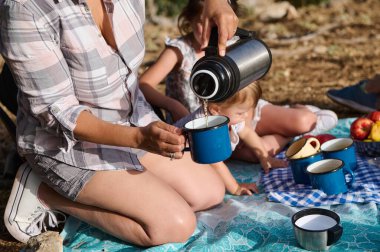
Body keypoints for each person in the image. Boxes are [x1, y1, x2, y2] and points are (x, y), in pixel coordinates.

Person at [0, 0, 239, 246]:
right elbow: (58, 113)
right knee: (175, 225)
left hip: (132, 119)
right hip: (67, 146)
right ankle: (44, 192)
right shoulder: (24, 8)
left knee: (210, 191)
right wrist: (138, 139)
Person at [139, 0, 338, 161]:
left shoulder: (232, 46)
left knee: (308, 121)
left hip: (244, 114)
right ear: (188, 20)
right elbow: (143, 84)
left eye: (215, 25)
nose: (206, 30)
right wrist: (172, 105)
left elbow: (249, 88)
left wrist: (246, 116)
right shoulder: (180, 50)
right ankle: (287, 137)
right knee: (259, 153)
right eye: (200, 22)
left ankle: (293, 117)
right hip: (210, 128)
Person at [175, 82, 288, 196]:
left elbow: (247, 133)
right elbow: (215, 163)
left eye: (247, 111)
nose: (245, 116)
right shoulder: (206, 125)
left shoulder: (228, 114)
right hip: (177, 159)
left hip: (201, 157)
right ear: (215, 110)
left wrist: (264, 156)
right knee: (208, 189)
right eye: (240, 113)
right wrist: (236, 187)